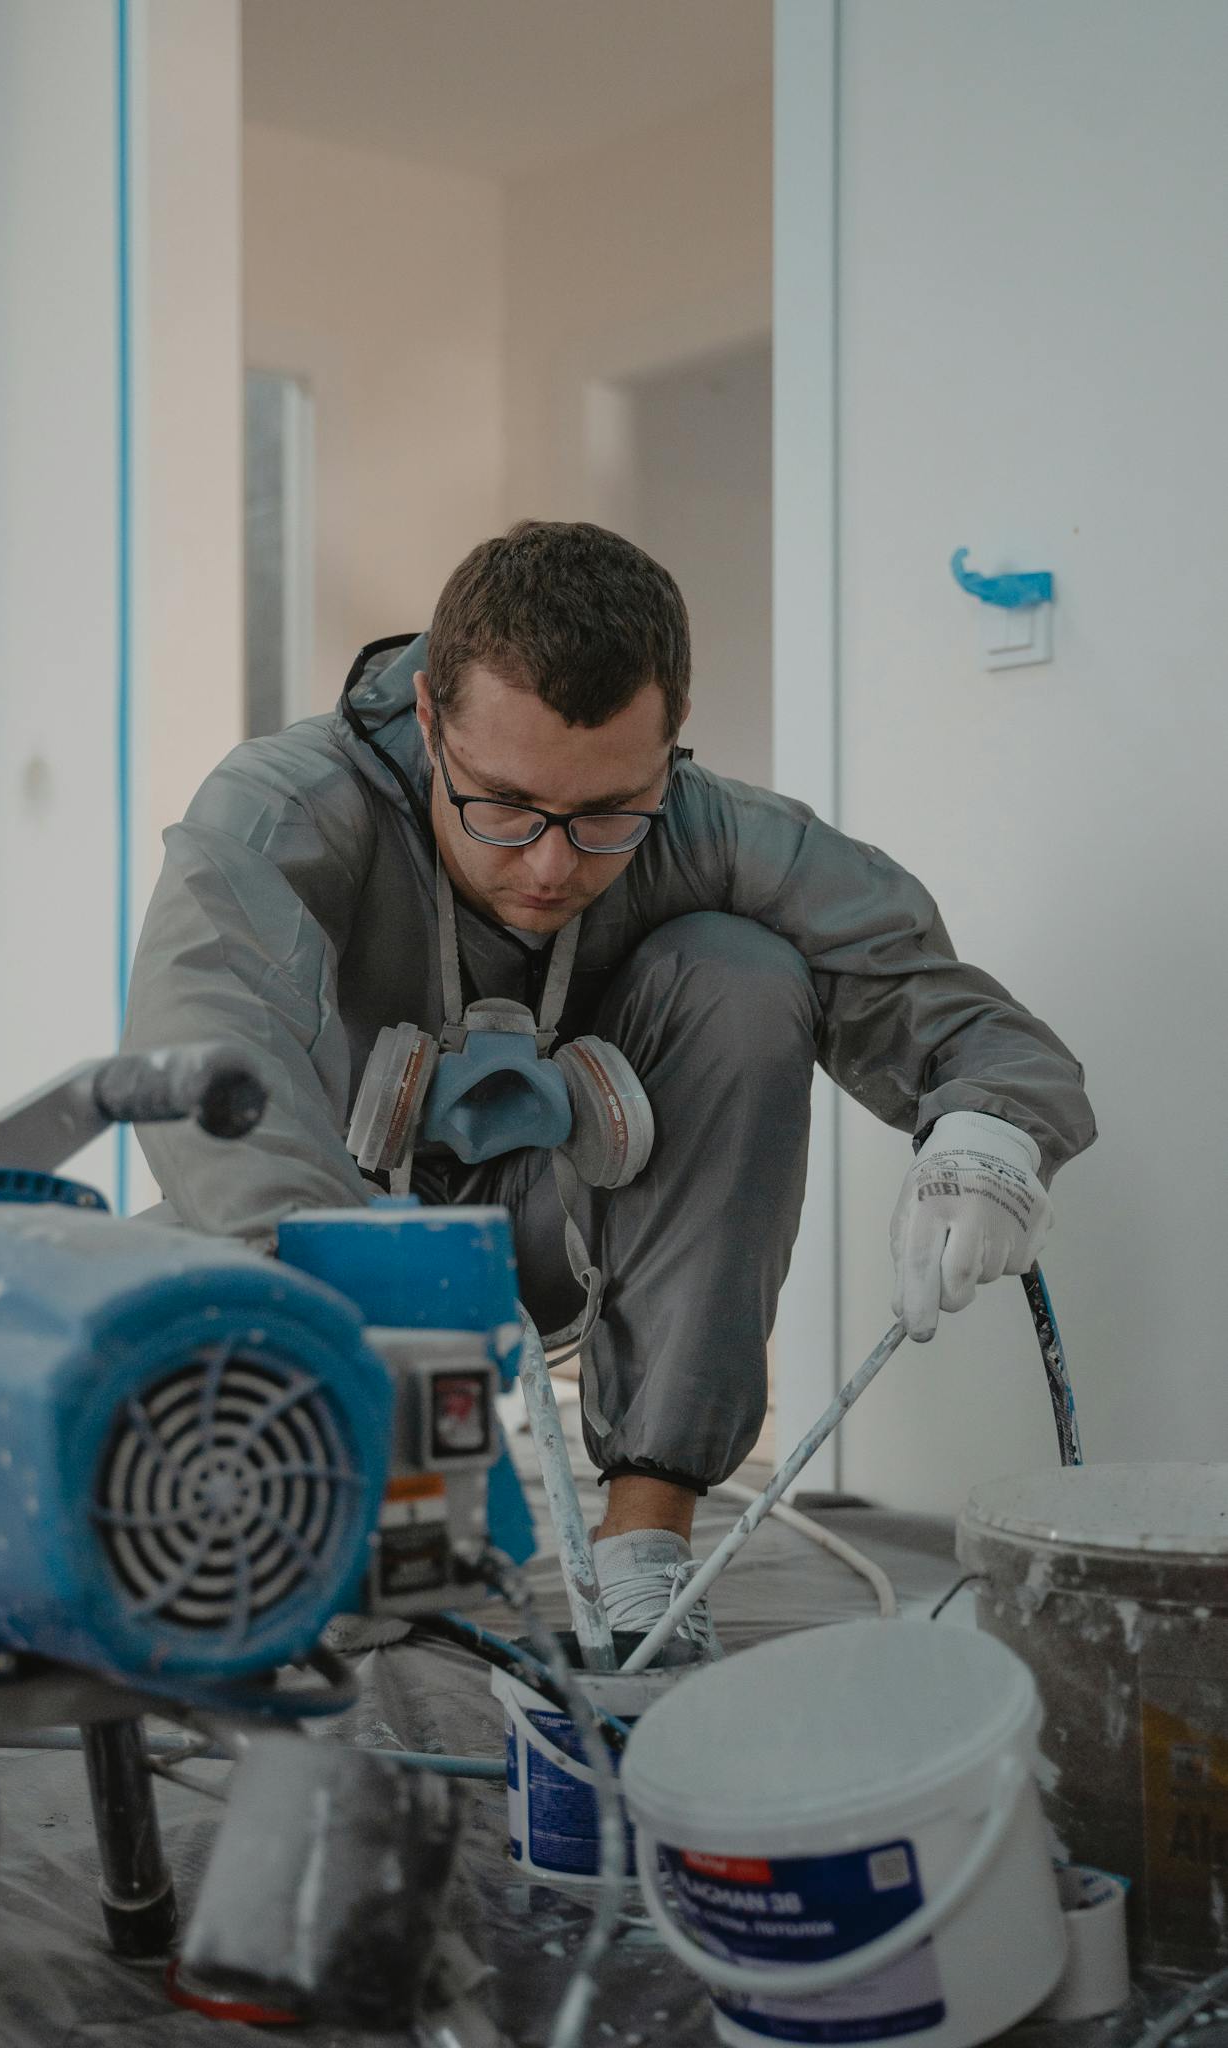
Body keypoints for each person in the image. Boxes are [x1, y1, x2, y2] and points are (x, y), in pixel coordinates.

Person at [123, 520, 1096, 1661]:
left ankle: (644, 1559)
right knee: (329, 1587)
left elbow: (957, 1012)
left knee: (748, 974)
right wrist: (328, 1334)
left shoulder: (707, 826)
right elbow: (208, 1043)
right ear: (431, 715)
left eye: (604, 817)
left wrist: (989, 1130)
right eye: (505, 805)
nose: (551, 864)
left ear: (671, 742)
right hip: (328, 1254)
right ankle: (341, 1473)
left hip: (565, 1229)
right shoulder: (285, 807)